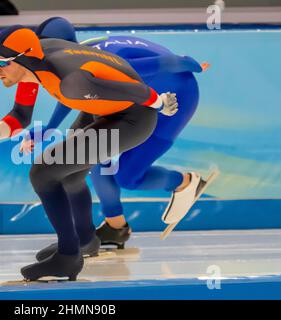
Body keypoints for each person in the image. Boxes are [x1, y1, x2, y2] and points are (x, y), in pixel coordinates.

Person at [0, 23, 177, 281]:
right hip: (101, 109)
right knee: (69, 174)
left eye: (2, 63)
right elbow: (20, 116)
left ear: (23, 59)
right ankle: (86, 240)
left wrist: (161, 103)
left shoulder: (71, 82)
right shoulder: (31, 65)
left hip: (132, 120)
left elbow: (136, 91)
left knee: (44, 172)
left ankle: (68, 258)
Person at [19, 18, 212, 254]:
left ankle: (184, 182)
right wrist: (49, 127)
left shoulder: (92, 60)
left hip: (175, 96)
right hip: (134, 96)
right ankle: (115, 226)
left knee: (128, 177)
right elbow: (65, 93)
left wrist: (191, 65)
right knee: (92, 155)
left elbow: (167, 62)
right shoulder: (70, 56)